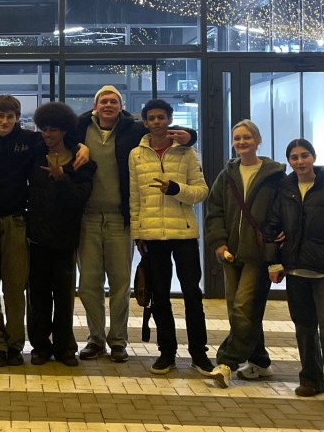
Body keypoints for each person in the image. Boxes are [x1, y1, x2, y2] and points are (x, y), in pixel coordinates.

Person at [75, 86, 197, 363]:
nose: (108, 105)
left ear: (121, 106)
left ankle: (118, 340)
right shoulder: (81, 129)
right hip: (88, 218)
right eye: (103, 101)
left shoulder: (134, 130)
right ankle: (96, 339)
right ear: (95, 106)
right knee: (89, 283)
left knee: (120, 283)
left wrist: (191, 136)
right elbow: (60, 133)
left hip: (120, 219)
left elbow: (165, 129)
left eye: (113, 101)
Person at [0, 94, 89, 367]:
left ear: (17, 118)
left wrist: (82, 146)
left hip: (18, 221)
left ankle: (15, 345)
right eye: (0, 116)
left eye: (10, 117)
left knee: (16, 288)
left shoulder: (30, 141)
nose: (5, 121)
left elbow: (62, 137)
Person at [264, 139, 324, 412]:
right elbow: (271, 228)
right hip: (295, 271)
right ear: (289, 161)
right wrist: (274, 262)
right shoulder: (284, 192)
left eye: (304, 155)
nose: (300, 161)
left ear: (313, 157)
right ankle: (311, 380)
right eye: (294, 157)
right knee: (304, 327)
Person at [128, 98, 213, 376]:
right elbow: (134, 197)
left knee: (192, 295)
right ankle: (167, 353)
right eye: (152, 118)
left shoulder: (187, 152)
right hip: (152, 235)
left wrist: (176, 189)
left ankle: (199, 353)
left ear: (169, 119)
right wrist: (138, 233)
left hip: (184, 234)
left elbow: (201, 191)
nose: (156, 122)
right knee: (160, 296)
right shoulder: (136, 155)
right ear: (145, 122)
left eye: (161, 117)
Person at [205, 120, 285, 388]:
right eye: (237, 138)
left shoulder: (274, 175)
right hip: (231, 253)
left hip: (259, 254)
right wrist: (219, 243)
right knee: (239, 310)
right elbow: (214, 210)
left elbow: (287, 208)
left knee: (243, 308)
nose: (241, 142)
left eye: (247, 137)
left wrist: (284, 232)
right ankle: (260, 362)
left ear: (257, 140)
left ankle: (226, 363)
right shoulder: (226, 175)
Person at [25, 103, 96, 366]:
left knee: (64, 297)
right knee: (38, 296)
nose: (48, 134)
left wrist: (61, 177)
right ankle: (40, 347)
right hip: (38, 237)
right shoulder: (35, 154)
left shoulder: (82, 163)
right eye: (44, 129)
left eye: (53, 129)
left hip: (66, 239)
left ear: (64, 130)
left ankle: (65, 347)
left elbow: (78, 200)